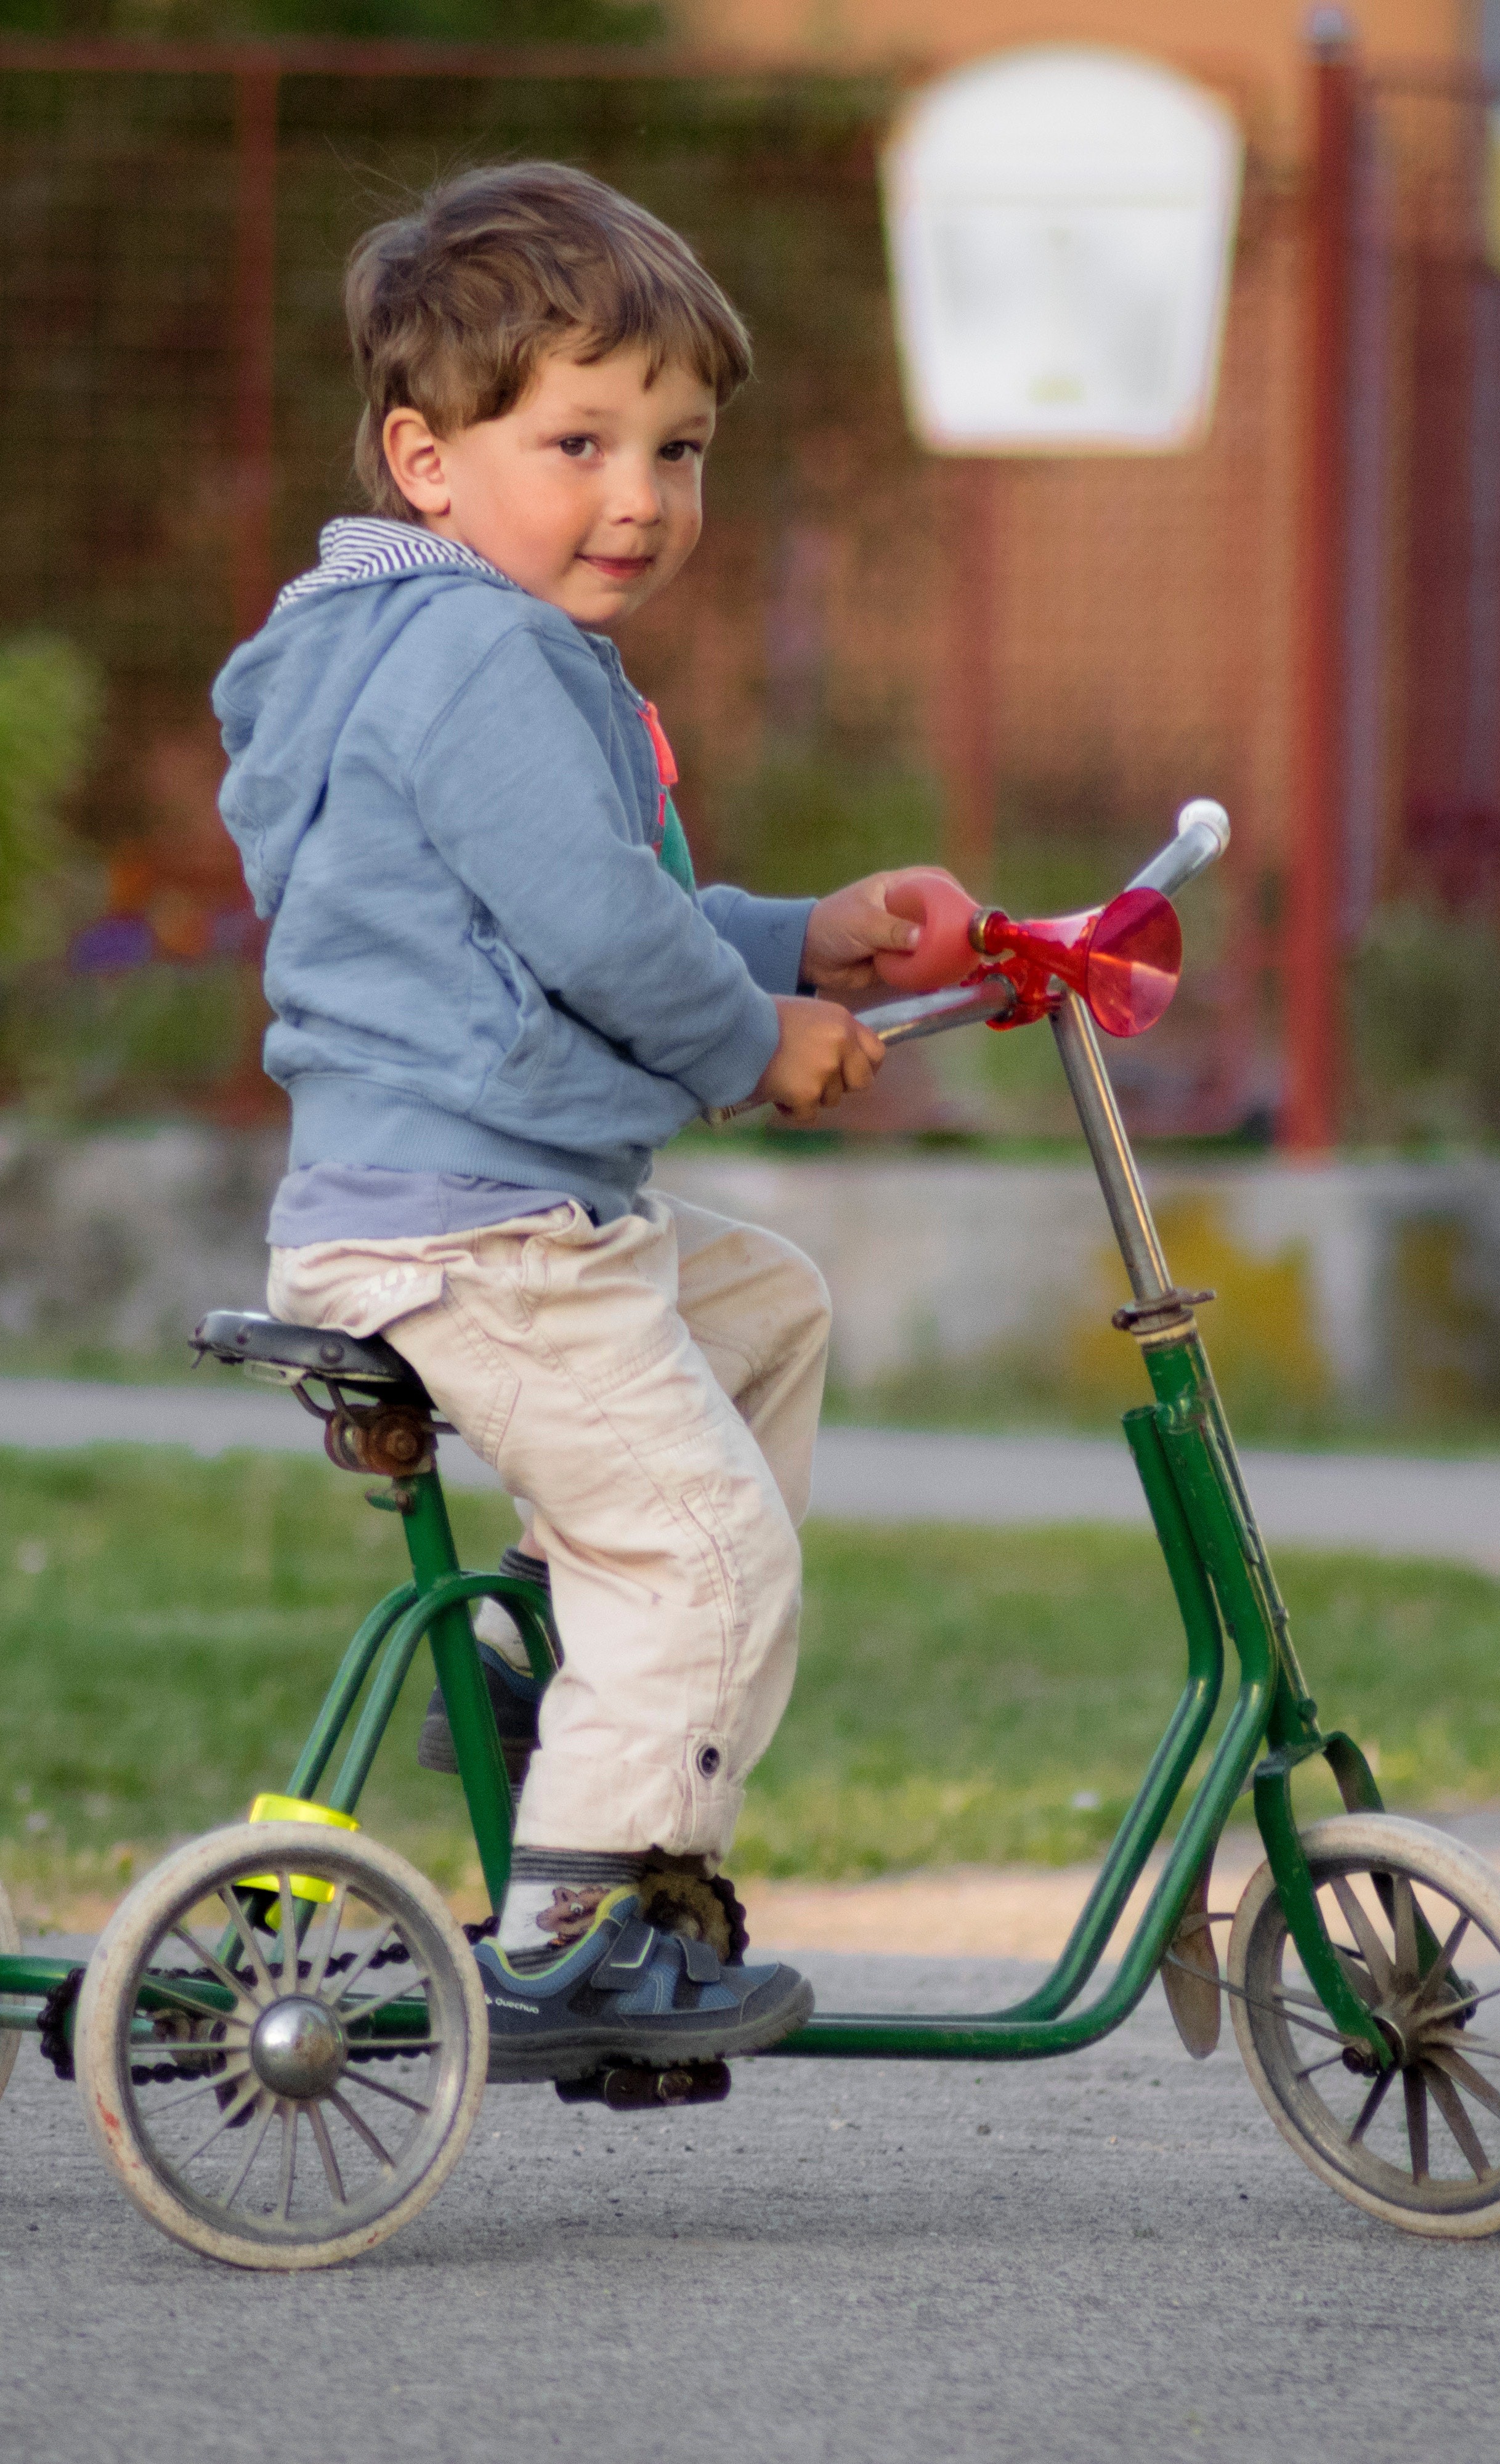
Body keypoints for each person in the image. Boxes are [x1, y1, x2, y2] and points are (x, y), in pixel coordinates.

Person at [212, 161, 955, 2081]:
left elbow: (575, 916)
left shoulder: (428, 643)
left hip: (457, 1209)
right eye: (580, 440)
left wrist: (812, 944)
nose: (641, 497)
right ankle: (583, 1928)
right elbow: (600, 928)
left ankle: (558, 1665)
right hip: (484, 1229)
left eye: (682, 449)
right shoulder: (481, 657)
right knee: (711, 1557)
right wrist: (750, 1045)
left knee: (764, 1303)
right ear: (427, 458)